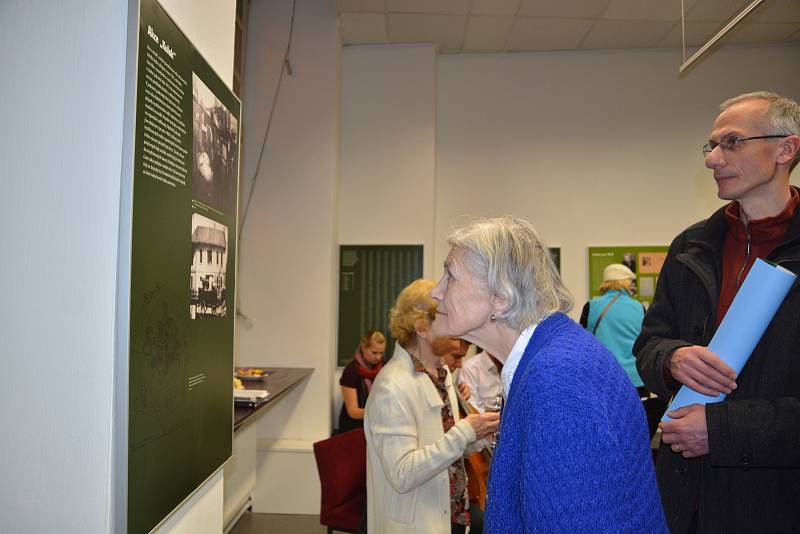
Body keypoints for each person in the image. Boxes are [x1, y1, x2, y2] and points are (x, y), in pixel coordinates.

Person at [430, 216, 666, 533]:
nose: (436, 291)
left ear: (500, 297)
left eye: (450, 275)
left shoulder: (557, 381)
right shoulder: (548, 361)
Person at [634, 91, 800, 533]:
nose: (712, 159)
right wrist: (673, 359)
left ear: (786, 149)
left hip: (776, 502)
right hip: (687, 496)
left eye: (732, 142)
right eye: (711, 146)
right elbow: (650, 343)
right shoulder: (693, 245)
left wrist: (725, 430)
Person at [364, 279, 499, 534]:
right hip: (417, 523)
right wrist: (466, 432)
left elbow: (444, 446)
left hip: (451, 515)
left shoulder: (441, 372)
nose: (457, 324)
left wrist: (481, 434)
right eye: (447, 317)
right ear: (422, 327)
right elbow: (403, 474)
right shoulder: (391, 388)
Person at [579, 263, 646, 393]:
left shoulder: (591, 306)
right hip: (635, 379)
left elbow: (582, 341)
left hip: (603, 377)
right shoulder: (639, 307)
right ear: (625, 282)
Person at [337, 329, 385, 433]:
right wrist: (379, 413)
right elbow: (352, 411)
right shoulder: (351, 371)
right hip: (354, 428)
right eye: (374, 352)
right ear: (363, 348)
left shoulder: (385, 368)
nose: (378, 357)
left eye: (381, 353)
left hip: (376, 426)